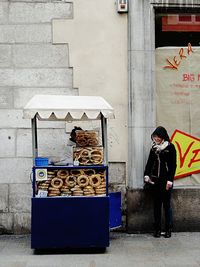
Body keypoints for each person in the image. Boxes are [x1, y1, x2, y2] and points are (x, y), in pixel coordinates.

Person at [144, 126, 177, 238]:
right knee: (157, 206)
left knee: (166, 205)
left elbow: (173, 165)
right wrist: (146, 175)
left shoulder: (170, 147)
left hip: (166, 181)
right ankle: (157, 229)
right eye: (154, 136)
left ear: (162, 137)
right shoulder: (153, 148)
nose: (156, 138)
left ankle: (168, 229)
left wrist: (170, 180)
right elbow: (149, 162)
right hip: (156, 181)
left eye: (157, 136)